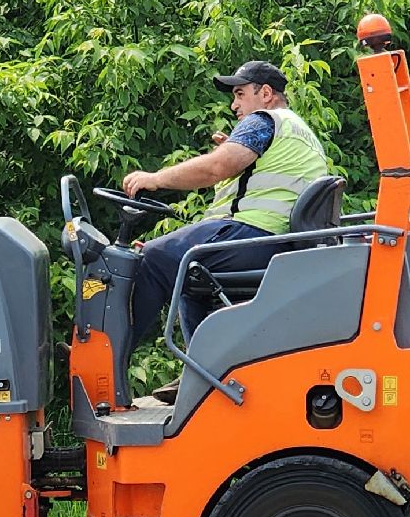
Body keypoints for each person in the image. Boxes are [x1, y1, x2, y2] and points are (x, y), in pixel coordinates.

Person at [121, 60, 331, 356]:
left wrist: (154, 179)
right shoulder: (299, 131)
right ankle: (204, 369)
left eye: (240, 94)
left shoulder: (263, 121)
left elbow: (216, 168)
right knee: (187, 271)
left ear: (266, 93)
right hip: (276, 241)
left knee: (154, 258)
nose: (234, 105)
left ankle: (109, 359)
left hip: (256, 234)